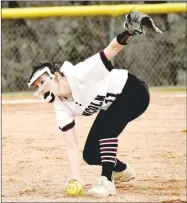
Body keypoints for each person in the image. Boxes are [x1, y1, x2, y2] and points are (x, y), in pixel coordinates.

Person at [27, 11, 162, 196]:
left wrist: (129, 31)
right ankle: (122, 169)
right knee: (90, 154)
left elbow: (111, 50)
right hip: (113, 104)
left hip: (133, 92)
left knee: (108, 128)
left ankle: (107, 181)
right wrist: (77, 177)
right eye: (37, 86)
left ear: (55, 75)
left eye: (42, 82)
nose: (41, 88)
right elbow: (72, 147)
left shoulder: (79, 74)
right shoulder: (61, 106)